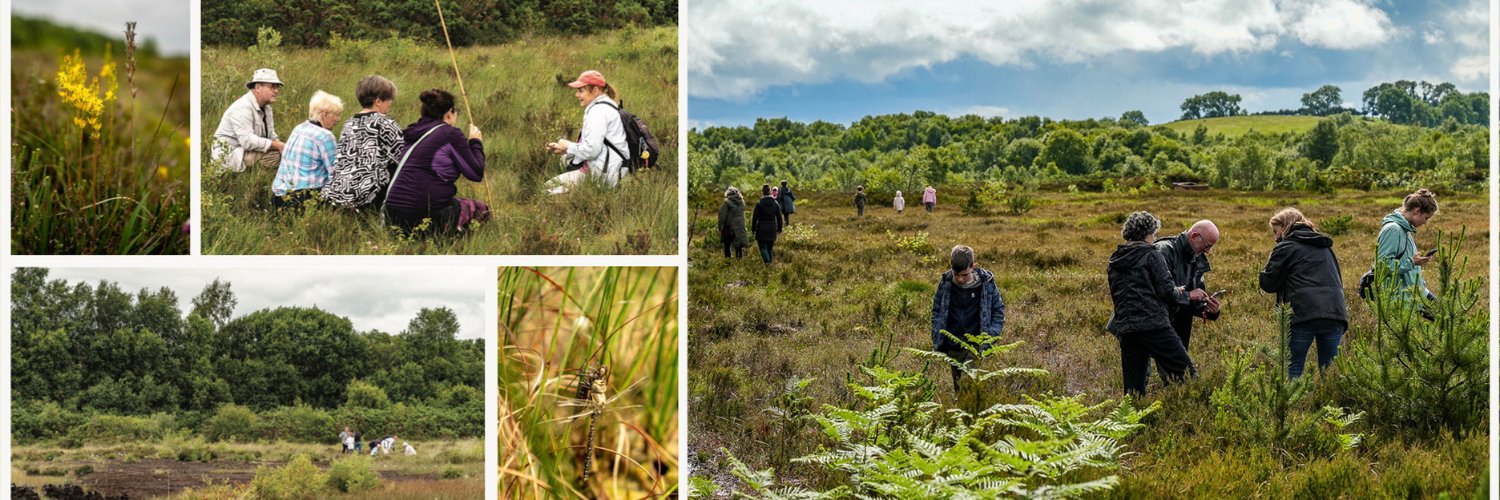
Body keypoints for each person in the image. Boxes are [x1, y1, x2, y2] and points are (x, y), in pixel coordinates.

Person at [1107, 212, 1195, 396]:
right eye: (1154, 234)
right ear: (1148, 233)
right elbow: (1166, 291)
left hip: (1127, 327)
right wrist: (1181, 292)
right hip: (1154, 325)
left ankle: (1130, 421)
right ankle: (1196, 409)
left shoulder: (1115, 260)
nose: (1155, 238)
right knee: (1186, 371)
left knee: (1133, 388)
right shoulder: (1152, 255)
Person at [383, 89, 489, 235]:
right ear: (449, 113)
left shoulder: (411, 133)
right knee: (481, 209)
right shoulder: (450, 134)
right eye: (456, 110)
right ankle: (453, 244)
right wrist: (475, 142)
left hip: (392, 217)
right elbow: (475, 173)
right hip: (423, 216)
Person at [1259, 208, 1347, 378]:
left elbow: (1268, 283)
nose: (1275, 237)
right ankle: (1333, 403)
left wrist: (1271, 257)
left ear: (1285, 227)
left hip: (1303, 314)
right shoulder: (1325, 246)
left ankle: (1291, 405)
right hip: (1335, 312)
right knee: (1331, 373)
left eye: (1276, 232)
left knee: (1293, 368)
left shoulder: (1286, 247)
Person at [930, 245, 1006, 392]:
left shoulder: (986, 283)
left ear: (973, 266)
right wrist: (936, 333)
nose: (959, 278)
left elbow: (998, 310)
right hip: (952, 345)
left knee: (967, 384)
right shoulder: (946, 283)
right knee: (958, 388)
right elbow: (937, 310)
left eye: (964, 275)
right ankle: (963, 413)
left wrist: (991, 335)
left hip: (975, 345)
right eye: (956, 274)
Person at [323, 75, 404, 210]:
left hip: (335, 194)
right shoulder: (386, 123)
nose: (391, 103)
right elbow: (402, 155)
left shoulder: (349, 123)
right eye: (389, 99)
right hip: (364, 197)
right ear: (378, 101)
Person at [545, 70, 628, 194]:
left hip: (603, 177)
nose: (576, 95)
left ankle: (576, 198)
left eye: (581, 91)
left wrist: (567, 145)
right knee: (564, 159)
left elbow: (591, 150)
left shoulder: (598, 112)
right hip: (612, 170)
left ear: (595, 91)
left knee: (547, 189)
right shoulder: (607, 106)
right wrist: (565, 149)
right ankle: (575, 194)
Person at [1154, 220, 1221, 350]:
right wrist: (1188, 295)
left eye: (1211, 247)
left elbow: (1195, 300)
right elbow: (1155, 292)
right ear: (1194, 236)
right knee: (1143, 369)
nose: (1207, 251)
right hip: (1152, 325)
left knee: (1176, 369)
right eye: (1207, 246)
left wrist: (1209, 310)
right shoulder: (1163, 251)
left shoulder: (1196, 256)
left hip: (1177, 328)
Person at [270, 90, 342, 210]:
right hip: (301, 199)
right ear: (325, 115)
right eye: (337, 115)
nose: (338, 119)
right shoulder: (325, 136)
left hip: (278, 197)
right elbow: (336, 173)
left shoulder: (299, 128)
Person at [212, 68, 285, 172]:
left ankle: (260, 180)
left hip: (247, 151)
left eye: (277, 87)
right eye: (272, 87)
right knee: (276, 156)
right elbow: (247, 141)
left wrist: (283, 147)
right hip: (231, 156)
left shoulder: (267, 108)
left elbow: (271, 135)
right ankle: (249, 179)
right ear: (258, 87)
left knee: (285, 154)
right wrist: (277, 145)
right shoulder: (242, 107)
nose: (276, 91)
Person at [1375, 189, 1439, 301]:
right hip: (1399, 299)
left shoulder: (1406, 230)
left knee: (1445, 314)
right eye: (1426, 218)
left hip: (1415, 294)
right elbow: (1382, 267)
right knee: (1442, 314)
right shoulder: (1393, 230)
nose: (1425, 222)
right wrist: (1412, 262)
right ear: (1417, 211)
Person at [750, 184, 783, 264]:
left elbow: (755, 218)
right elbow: (779, 217)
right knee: (769, 248)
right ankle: (769, 265)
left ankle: (767, 262)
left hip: (761, 228)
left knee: (762, 247)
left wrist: (753, 229)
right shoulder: (775, 204)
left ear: (762, 192)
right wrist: (779, 229)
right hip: (772, 228)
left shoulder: (759, 204)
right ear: (770, 191)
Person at [718, 186, 749, 259]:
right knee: (739, 245)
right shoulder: (742, 202)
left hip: (729, 227)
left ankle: (728, 260)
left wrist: (720, 226)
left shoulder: (726, 202)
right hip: (740, 226)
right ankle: (739, 260)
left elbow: (722, 215)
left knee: (727, 244)